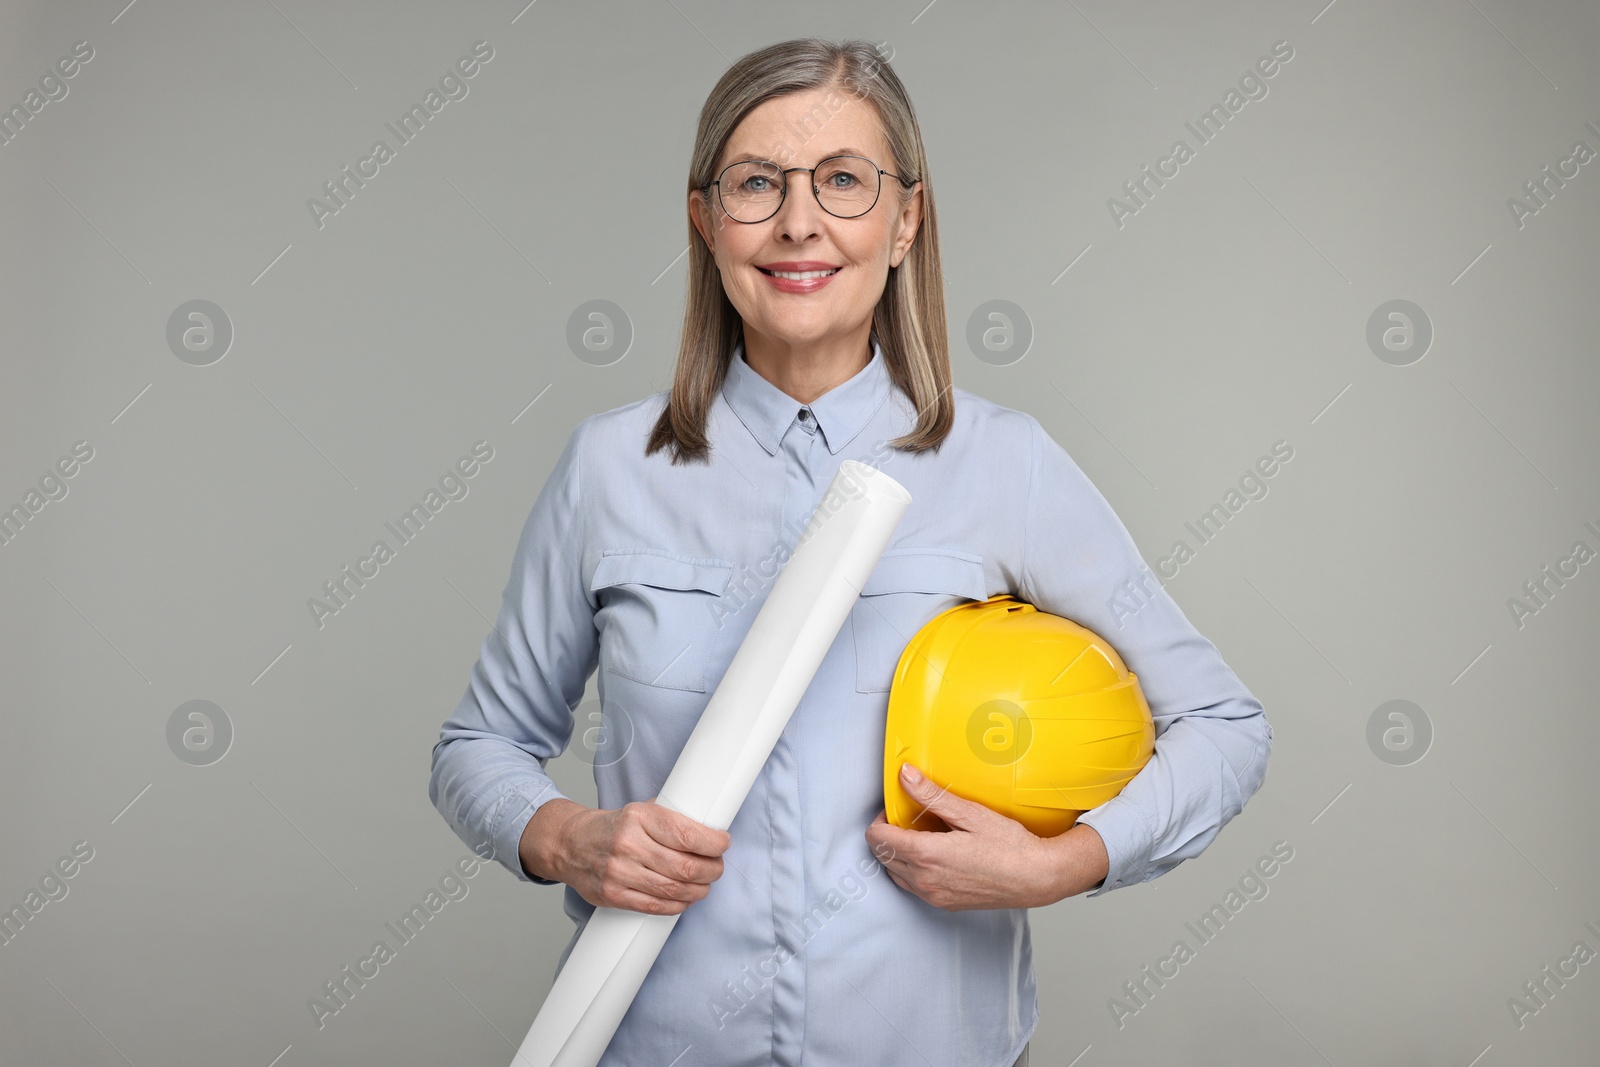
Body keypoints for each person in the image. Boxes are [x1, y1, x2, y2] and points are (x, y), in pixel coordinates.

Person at [429, 37, 1272, 1067]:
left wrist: (1068, 862)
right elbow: (479, 744)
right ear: (704, 220)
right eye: (755, 184)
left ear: (905, 218)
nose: (798, 222)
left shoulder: (1000, 463)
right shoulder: (610, 467)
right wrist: (561, 835)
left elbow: (1223, 726)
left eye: (842, 181)